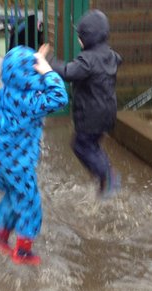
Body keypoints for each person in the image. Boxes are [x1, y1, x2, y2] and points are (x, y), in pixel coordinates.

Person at [0, 46, 68, 265]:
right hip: (18, 165)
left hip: (0, 159)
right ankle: (22, 251)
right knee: (31, 204)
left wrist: (35, 60)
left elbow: (23, 79)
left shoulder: (7, 92)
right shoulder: (31, 102)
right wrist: (47, 71)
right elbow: (60, 97)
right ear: (30, 74)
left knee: (14, 197)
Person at [39, 9, 122, 198]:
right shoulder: (110, 55)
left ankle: (107, 176)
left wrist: (49, 60)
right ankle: (105, 176)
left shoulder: (88, 60)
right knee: (92, 145)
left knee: (80, 145)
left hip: (90, 116)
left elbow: (69, 72)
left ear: (88, 38)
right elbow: (117, 60)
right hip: (107, 113)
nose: (78, 40)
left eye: (80, 36)